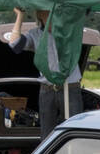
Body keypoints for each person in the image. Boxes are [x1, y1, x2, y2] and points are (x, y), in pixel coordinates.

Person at [9, 8, 89, 141]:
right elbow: (15, 45)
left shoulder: (70, 30)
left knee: (75, 130)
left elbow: (84, 10)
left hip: (70, 87)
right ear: (39, 15)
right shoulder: (35, 34)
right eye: (46, 12)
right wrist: (20, 16)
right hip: (47, 90)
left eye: (53, 12)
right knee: (47, 134)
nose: (51, 16)